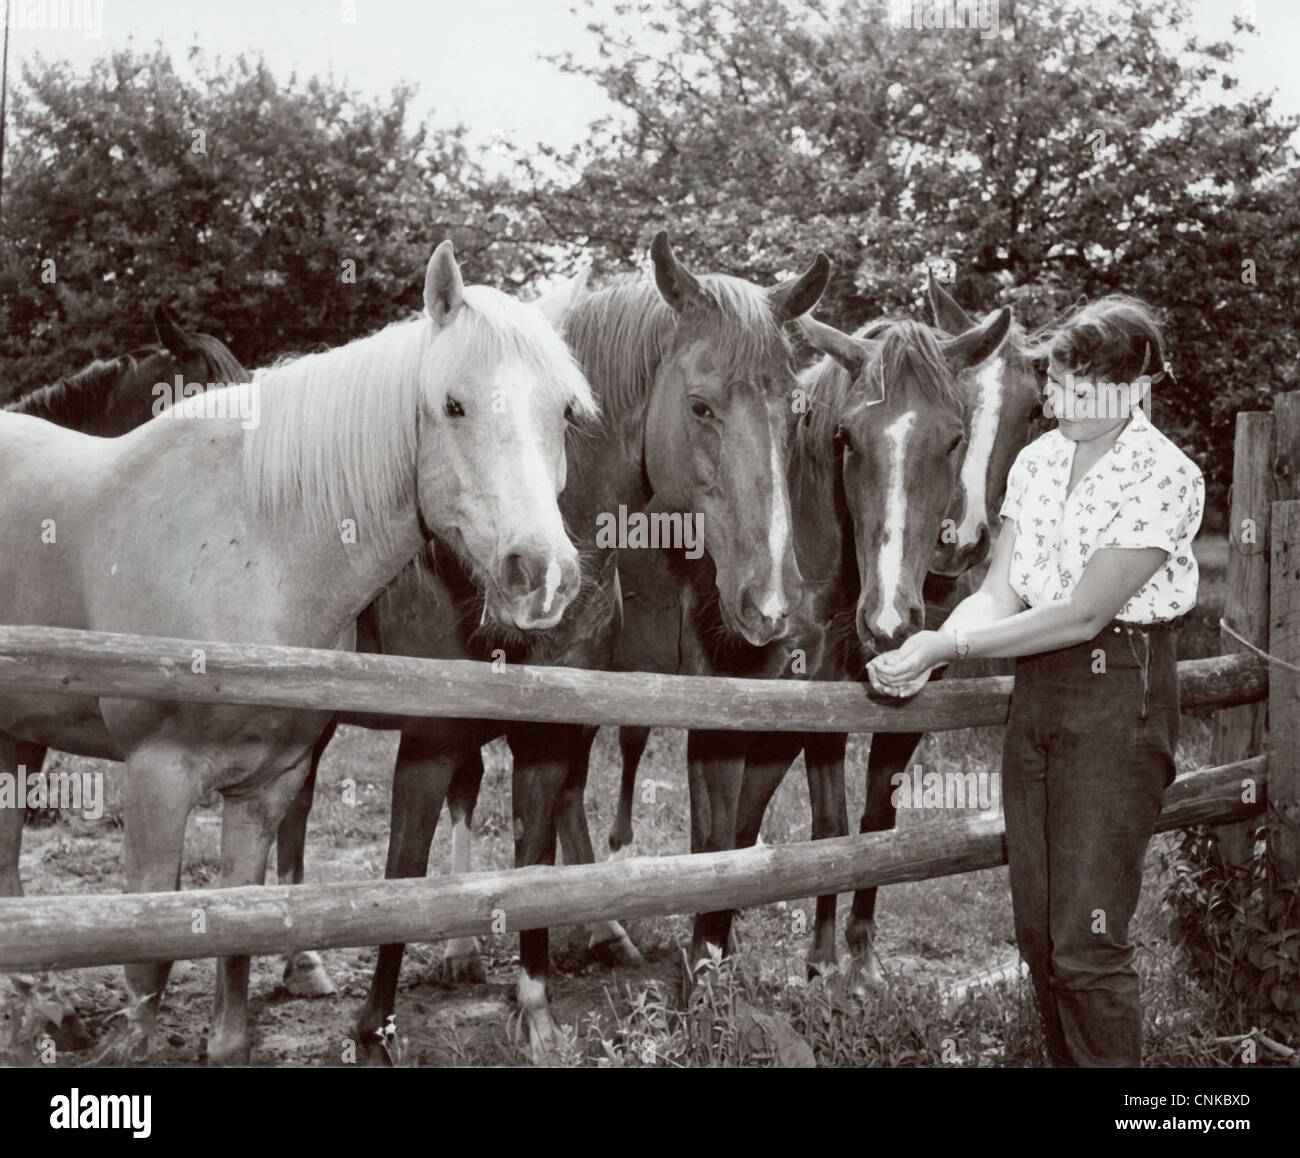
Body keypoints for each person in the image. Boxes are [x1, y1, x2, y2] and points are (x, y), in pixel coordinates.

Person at [867, 295, 1204, 1067]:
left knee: (1086, 946)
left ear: (1134, 387)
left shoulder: (1166, 475)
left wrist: (947, 649)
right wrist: (942, 637)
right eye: (1053, 382)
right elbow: (1004, 587)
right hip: (1039, 693)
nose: (1054, 401)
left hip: (1121, 691)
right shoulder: (1039, 460)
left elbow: (1084, 614)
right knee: (1040, 937)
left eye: (1074, 387)